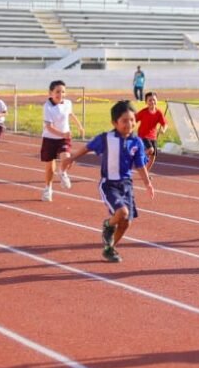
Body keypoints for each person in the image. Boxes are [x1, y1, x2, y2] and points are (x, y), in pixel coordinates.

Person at [62, 100, 155, 263]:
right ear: (115, 122)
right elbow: (88, 147)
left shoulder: (137, 142)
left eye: (132, 120)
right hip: (109, 184)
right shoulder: (106, 138)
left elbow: (140, 165)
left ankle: (109, 248)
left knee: (126, 223)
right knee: (122, 213)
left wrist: (148, 184)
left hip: (126, 185)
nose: (129, 124)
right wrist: (72, 158)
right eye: (125, 120)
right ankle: (108, 225)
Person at [40, 80, 84, 202]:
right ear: (51, 93)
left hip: (64, 139)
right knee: (49, 167)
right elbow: (49, 127)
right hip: (50, 139)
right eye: (57, 92)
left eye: (63, 91)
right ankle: (48, 189)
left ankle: (62, 172)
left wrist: (79, 126)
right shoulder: (47, 107)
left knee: (68, 158)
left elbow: (71, 114)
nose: (61, 94)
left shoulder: (68, 103)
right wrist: (62, 133)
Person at [135, 92, 168, 174]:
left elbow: (165, 123)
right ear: (146, 102)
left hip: (153, 136)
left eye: (154, 100)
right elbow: (134, 119)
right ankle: (137, 157)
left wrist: (163, 130)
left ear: (157, 101)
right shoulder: (143, 112)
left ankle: (145, 172)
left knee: (153, 157)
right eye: (150, 100)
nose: (152, 102)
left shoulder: (158, 113)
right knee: (150, 149)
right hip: (143, 135)